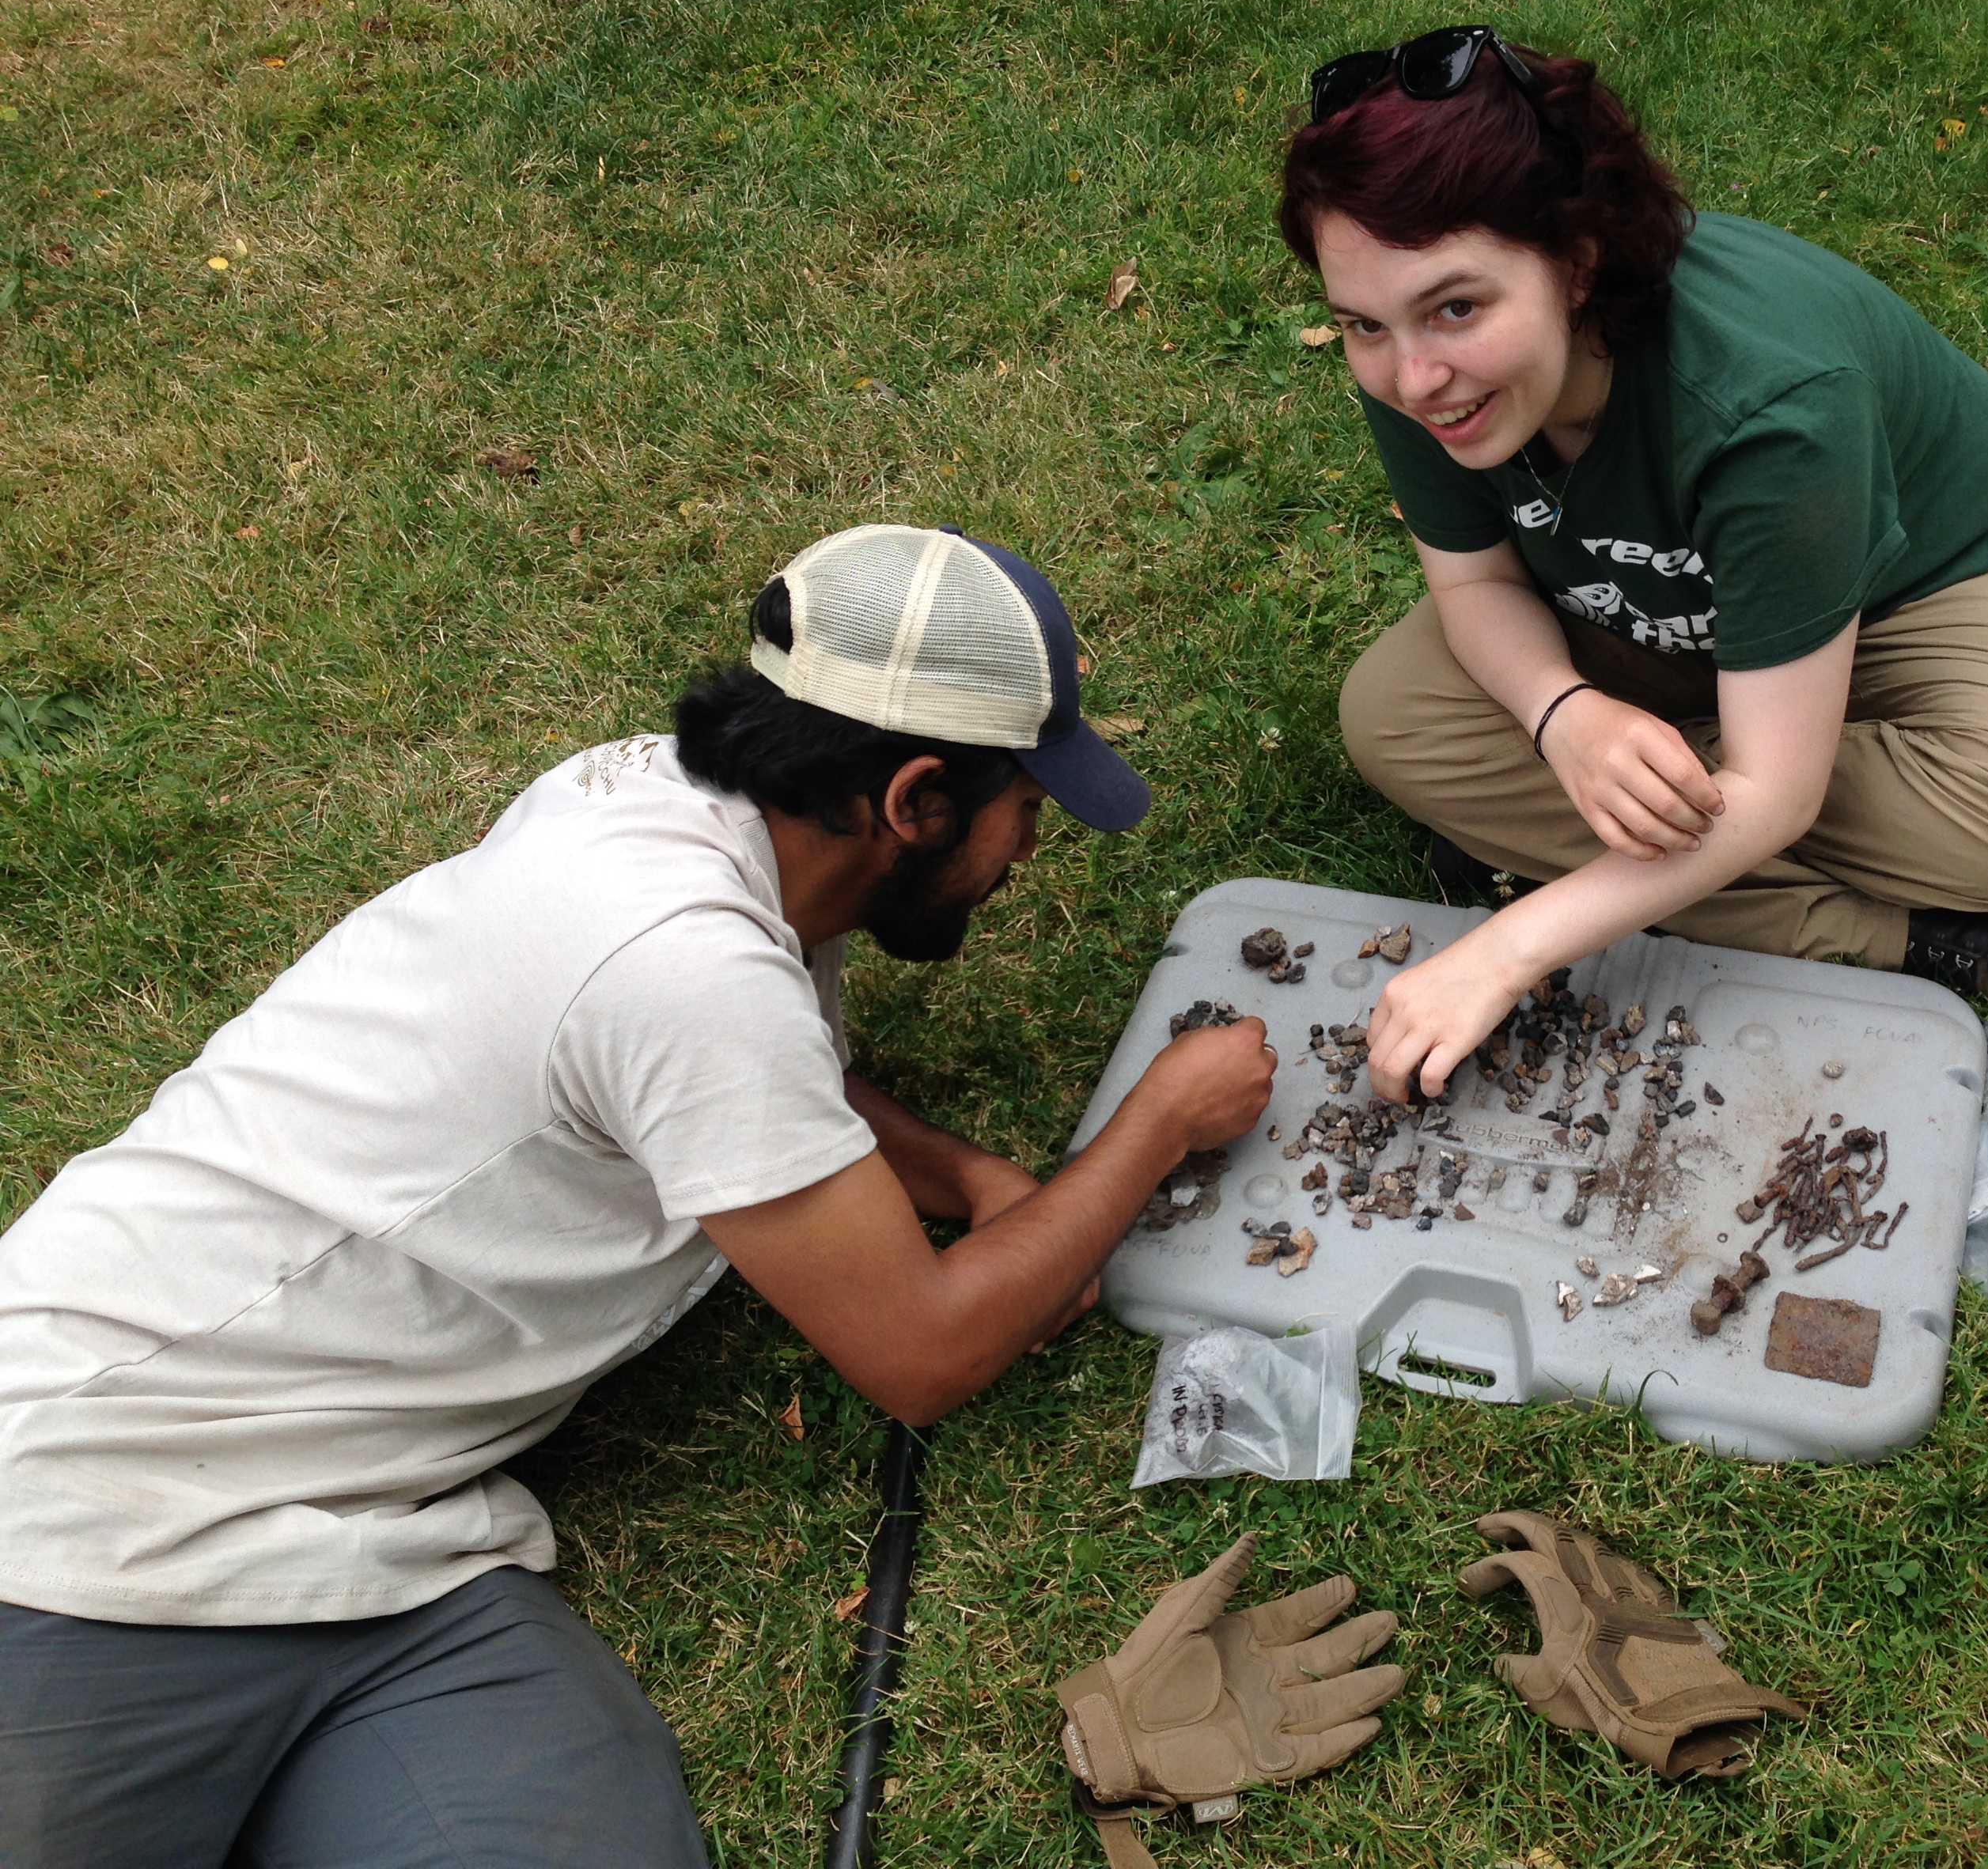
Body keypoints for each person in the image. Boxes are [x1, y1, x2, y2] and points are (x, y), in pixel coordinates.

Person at [0, 523, 1276, 1869]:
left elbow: (758, 1093)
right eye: (1028, 804)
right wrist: (1153, 1128)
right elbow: (927, 1353)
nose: (1033, 845)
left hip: (394, 1562)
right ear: (915, 802)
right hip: (86, 1518)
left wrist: (966, 1175)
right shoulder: (684, 966)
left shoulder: (690, 821)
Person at [1278, 28, 1988, 1095]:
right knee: (1392, 713)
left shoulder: (1771, 404)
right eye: (1363, 325)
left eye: (1458, 307)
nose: (1414, 378)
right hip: (1648, 614)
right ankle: (1908, 937)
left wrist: (1512, 947)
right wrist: (1565, 720)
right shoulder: (1426, 371)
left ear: (1579, 261)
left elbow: (1778, 797)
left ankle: (1594, 843)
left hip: (1910, 591)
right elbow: (1474, 583)